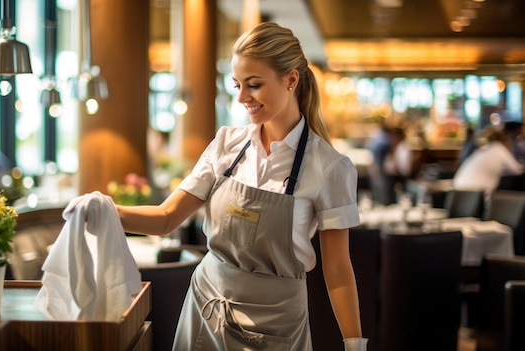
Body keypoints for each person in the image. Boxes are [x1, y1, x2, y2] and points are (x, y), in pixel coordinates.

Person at [115, 22, 366, 350]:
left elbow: (337, 268)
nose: (243, 98)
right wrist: (107, 210)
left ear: (291, 79)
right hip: (206, 308)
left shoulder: (329, 167)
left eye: (254, 85)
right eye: (237, 86)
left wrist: (354, 344)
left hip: (276, 322)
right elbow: (166, 218)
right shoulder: (225, 145)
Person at [453, 126, 523, 196]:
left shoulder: (481, 150)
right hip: (477, 195)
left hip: (458, 193)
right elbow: (518, 169)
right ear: (504, 140)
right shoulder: (498, 148)